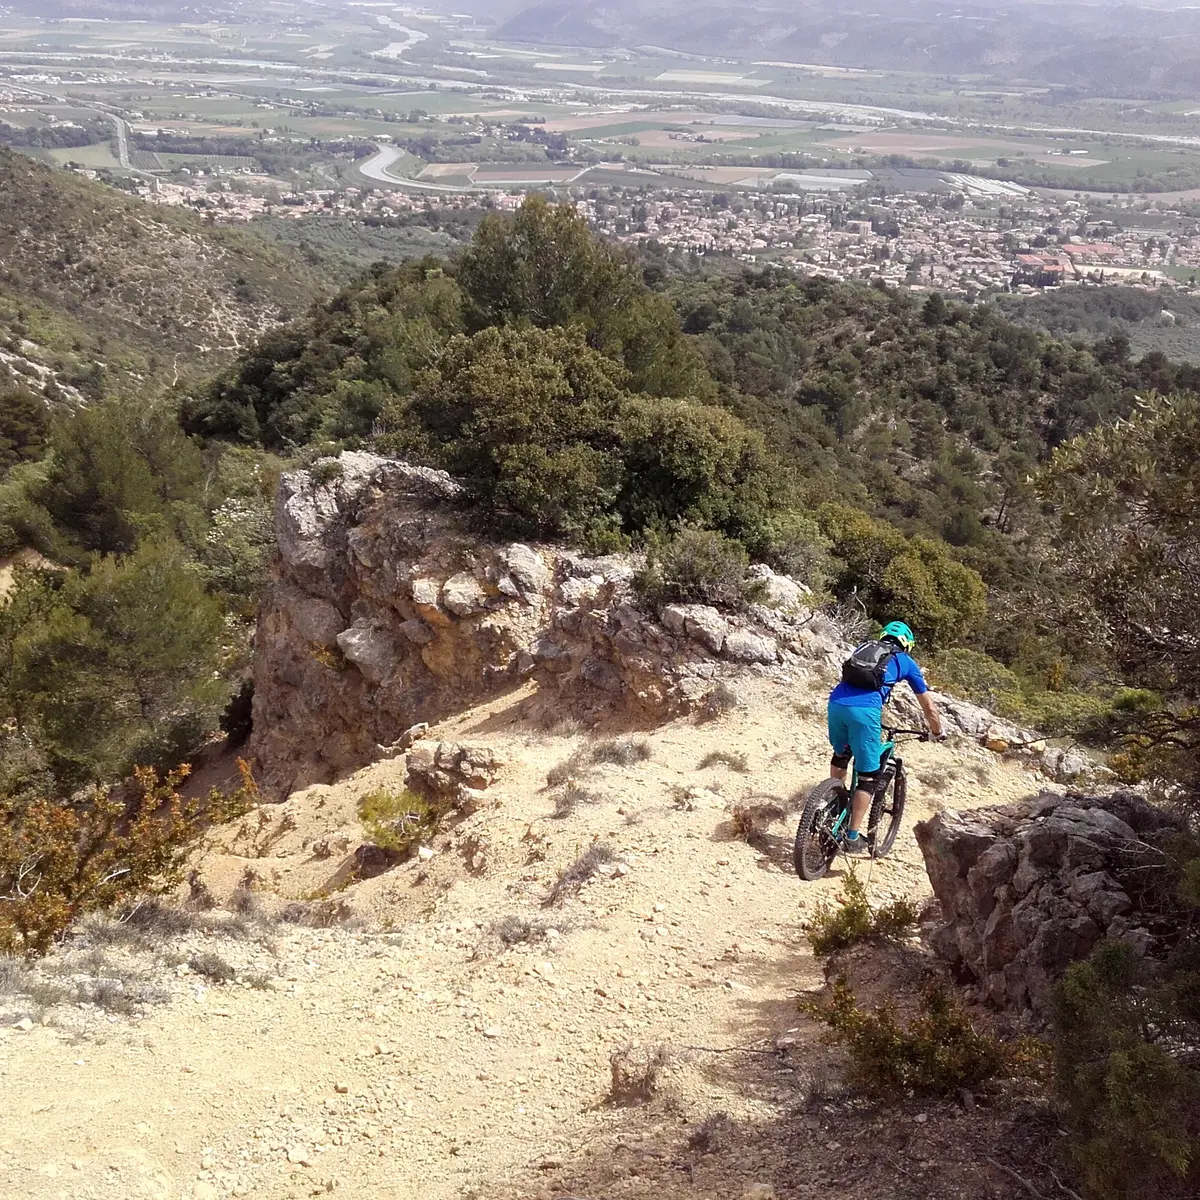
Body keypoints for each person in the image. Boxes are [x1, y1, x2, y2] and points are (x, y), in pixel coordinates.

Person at [827, 620, 944, 856]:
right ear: (906, 644)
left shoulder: (865, 647)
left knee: (841, 755)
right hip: (865, 711)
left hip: (836, 704)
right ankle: (851, 838)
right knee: (869, 777)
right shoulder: (905, 662)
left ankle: (833, 805)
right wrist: (937, 731)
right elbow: (928, 707)